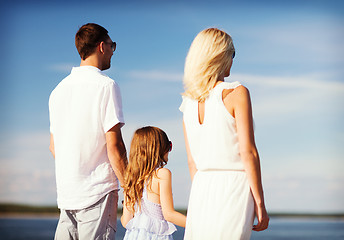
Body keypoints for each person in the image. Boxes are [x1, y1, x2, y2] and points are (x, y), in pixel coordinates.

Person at [179, 28, 269, 239]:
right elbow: (249, 152)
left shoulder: (187, 103)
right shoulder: (237, 93)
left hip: (201, 189)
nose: (232, 59)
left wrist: (203, 193)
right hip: (234, 188)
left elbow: (192, 162)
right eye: (232, 53)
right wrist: (260, 204)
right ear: (219, 56)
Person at [49, 23, 127, 239]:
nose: (113, 51)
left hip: (67, 195)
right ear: (102, 46)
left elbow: (53, 146)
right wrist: (130, 186)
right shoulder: (106, 85)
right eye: (112, 45)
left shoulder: (57, 91)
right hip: (97, 193)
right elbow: (115, 145)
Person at [121, 126, 186, 239]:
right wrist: (196, 225)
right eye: (169, 146)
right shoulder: (162, 174)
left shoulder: (130, 178)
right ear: (160, 149)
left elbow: (126, 222)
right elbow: (169, 214)